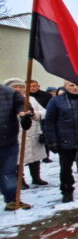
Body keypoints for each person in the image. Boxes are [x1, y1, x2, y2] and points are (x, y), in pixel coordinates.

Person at [4, 78, 48, 188]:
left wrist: (35, 114)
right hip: (15, 135)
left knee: (35, 157)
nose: (18, 89)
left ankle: (36, 177)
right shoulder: (4, 101)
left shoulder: (31, 99)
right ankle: (20, 181)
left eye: (21, 87)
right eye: (15, 87)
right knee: (18, 160)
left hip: (33, 133)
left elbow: (45, 112)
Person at [0, 83, 33, 211]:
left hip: (8, 141)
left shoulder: (9, 92)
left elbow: (23, 105)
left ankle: (12, 200)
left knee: (8, 173)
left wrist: (24, 114)